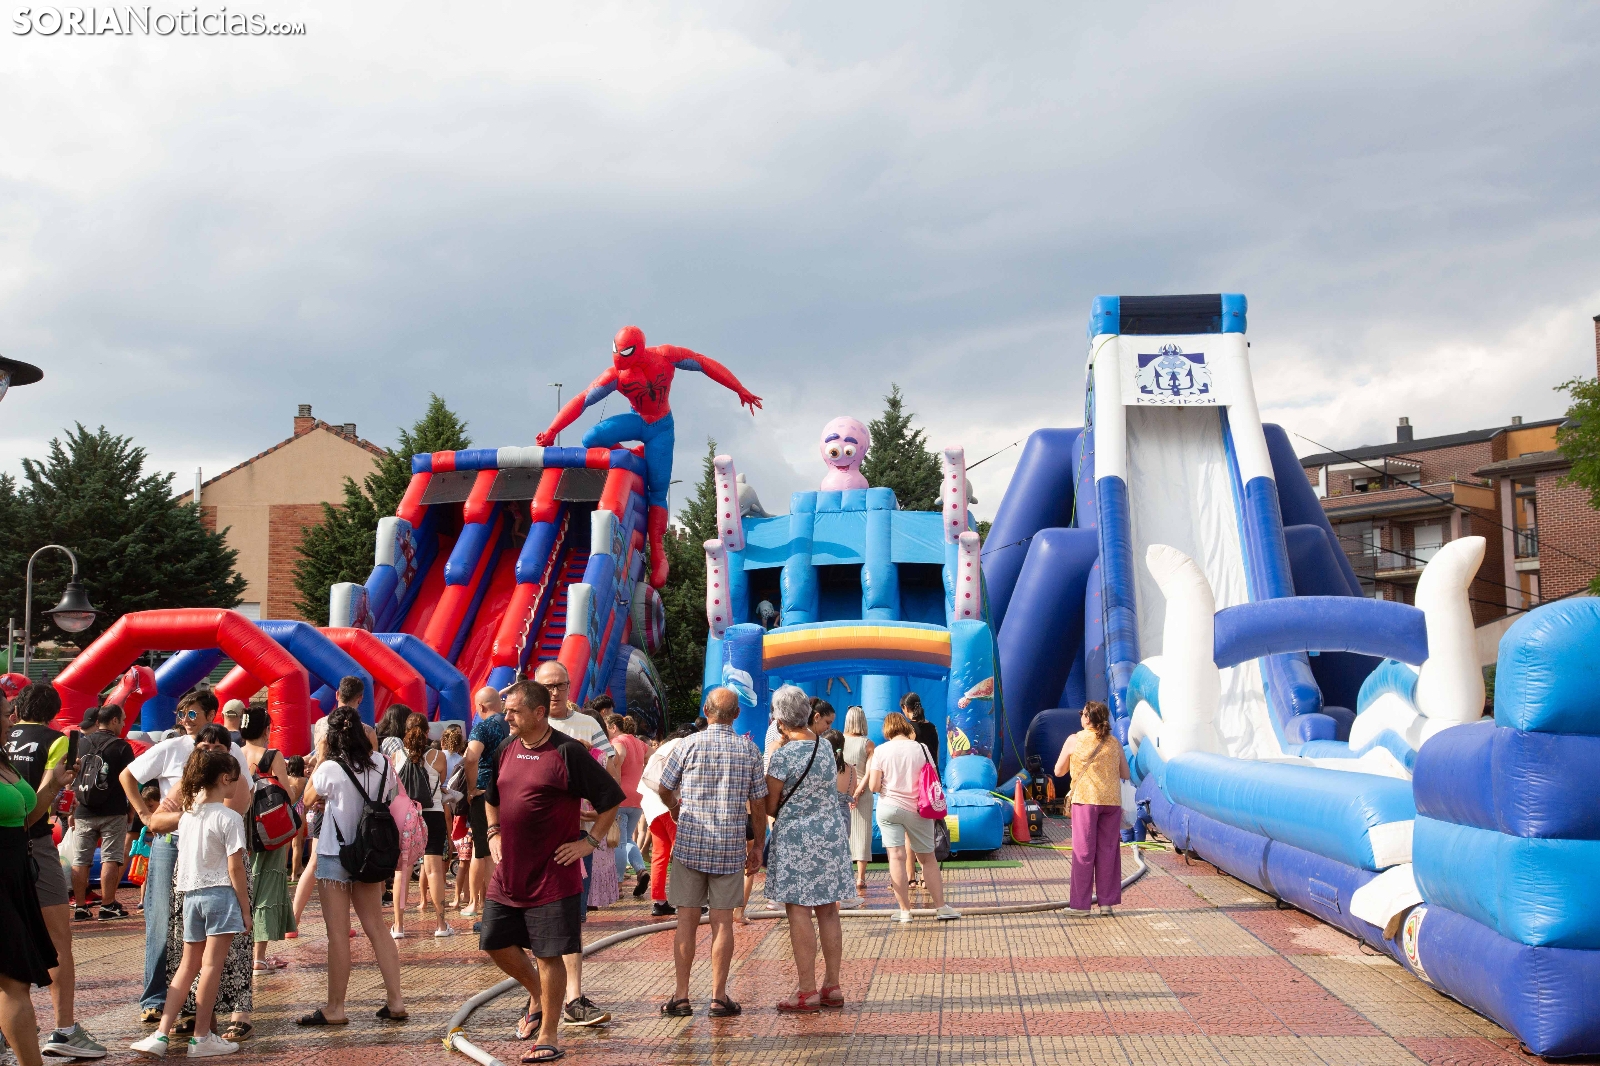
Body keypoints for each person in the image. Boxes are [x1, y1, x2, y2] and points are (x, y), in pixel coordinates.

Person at [532, 325, 764, 588]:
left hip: (661, 428)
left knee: (658, 491)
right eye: (617, 351)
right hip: (638, 420)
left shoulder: (665, 356)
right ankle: (632, 456)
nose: (620, 358)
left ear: (638, 349)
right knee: (591, 439)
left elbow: (703, 363)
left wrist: (739, 388)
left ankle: (658, 552)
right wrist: (551, 431)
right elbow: (583, 399)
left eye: (625, 352)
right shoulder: (616, 375)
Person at [478, 680, 624, 1064]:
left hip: (553, 874)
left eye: (514, 711)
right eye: (506, 710)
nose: (507, 716)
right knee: (493, 941)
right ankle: (540, 996)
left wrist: (589, 842)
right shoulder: (506, 747)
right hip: (509, 873)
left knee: (548, 955)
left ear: (538, 713)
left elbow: (611, 799)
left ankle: (549, 1035)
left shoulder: (567, 751)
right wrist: (493, 832)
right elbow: (491, 798)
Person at [122, 687, 252, 1029]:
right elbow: (132, 782)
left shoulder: (233, 756)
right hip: (177, 846)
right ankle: (160, 1001)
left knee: (220, 937)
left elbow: (241, 801)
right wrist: (151, 816)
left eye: (192, 713)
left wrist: (200, 817)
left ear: (211, 716)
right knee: (167, 924)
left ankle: (220, 1010)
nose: (185, 720)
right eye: (181, 714)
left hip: (216, 851)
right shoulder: (178, 755)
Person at [131, 749, 251, 1059]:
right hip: (220, 895)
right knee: (211, 967)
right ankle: (201, 1037)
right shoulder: (230, 818)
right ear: (224, 779)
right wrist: (245, 908)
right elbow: (235, 867)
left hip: (191, 897)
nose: (237, 785)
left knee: (187, 967)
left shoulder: (186, 817)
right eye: (235, 779)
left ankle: (161, 1034)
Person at [656, 687, 767, 1019]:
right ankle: (719, 997)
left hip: (691, 844)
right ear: (736, 715)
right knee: (722, 923)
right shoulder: (749, 750)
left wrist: (675, 808)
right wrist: (758, 845)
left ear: (706, 711)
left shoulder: (687, 745)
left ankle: (681, 996)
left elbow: (664, 787)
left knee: (686, 922)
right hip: (729, 847)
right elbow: (758, 803)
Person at [6, 683, 103, 1060]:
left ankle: (9, 1029)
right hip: (34, 845)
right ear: (52, 713)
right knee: (59, 941)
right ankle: (64, 1028)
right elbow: (42, 797)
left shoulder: (6, 741)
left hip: (13, 846)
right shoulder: (57, 741)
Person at [298, 706, 406, 1026]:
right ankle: (396, 1001)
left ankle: (336, 1008)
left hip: (335, 854)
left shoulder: (331, 767)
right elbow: (390, 795)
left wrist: (321, 755)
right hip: (371, 852)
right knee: (377, 927)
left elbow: (307, 799)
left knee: (337, 935)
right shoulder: (382, 763)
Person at [531, 661, 617, 1029]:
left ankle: (573, 997)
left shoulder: (587, 725)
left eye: (560, 685)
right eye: (547, 686)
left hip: (574, 837)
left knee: (571, 918)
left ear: (570, 686)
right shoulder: (523, 725)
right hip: (534, 839)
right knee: (533, 921)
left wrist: (597, 831)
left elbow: (610, 774)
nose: (554, 692)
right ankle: (538, 998)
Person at [763, 687, 853, 1012]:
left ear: (780, 720)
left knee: (799, 911)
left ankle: (806, 990)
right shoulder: (825, 747)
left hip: (796, 839)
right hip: (830, 835)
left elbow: (770, 805)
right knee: (829, 910)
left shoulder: (782, 756)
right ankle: (833, 985)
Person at [0, 688, 72, 1066]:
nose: (11, 721)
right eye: (5, 714)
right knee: (14, 980)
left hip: (18, 874)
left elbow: (27, 818)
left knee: (15, 981)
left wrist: (54, 784)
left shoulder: (4, 759)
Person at [868, 712, 959, 923]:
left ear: (887, 730)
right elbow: (934, 779)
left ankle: (904, 911)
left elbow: (873, 786)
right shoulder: (922, 748)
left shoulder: (880, 751)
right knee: (927, 859)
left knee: (896, 858)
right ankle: (941, 908)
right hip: (918, 810)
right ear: (905, 726)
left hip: (889, 808)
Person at [1055, 701, 1130, 916]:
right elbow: (1125, 773)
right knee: (1108, 851)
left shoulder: (1074, 739)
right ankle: (1106, 903)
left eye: (1082, 713)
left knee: (1084, 852)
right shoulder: (1114, 742)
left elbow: (1058, 771)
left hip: (1086, 800)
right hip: (1111, 801)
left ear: (1087, 718)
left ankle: (1080, 905)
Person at [236, 706, 295, 970]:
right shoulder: (272, 756)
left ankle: (242, 953)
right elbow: (288, 796)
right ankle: (258, 957)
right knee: (267, 889)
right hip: (268, 831)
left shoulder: (235, 754)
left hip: (240, 830)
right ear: (266, 729)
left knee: (243, 886)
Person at [69, 703, 136, 922]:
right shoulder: (122, 747)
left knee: (81, 859)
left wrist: (72, 809)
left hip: (83, 809)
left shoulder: (80, 743)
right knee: (111, 858)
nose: (124, 724)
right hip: (113, 810)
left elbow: (71, 776)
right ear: (114, 720)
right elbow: (130, 780)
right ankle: (107, 905)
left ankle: (80, 907)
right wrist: (131, 809)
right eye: (122, 720)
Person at [395, 713, 453, 938]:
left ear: (405, 731)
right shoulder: (438, 756)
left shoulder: (396, 756)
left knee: (403, 869)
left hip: (407, 816)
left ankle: (398, 927)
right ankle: (441, 925)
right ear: (427, 732)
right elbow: (441, 781)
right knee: (434, 870)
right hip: (433, 815)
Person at [461, 686, 509, 921]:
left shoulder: (483, 727)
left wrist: (471, 788)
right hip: (512, 789)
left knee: (484, 851)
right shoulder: (512, 723)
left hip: (485, 792)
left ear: (480, 707)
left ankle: (486, 904)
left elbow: (471, 757)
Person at [637, 725, 691, 919]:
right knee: (683, 853)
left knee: (660, 853)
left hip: (651, 805)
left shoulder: (665, 746)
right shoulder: (684, 745)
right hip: (669, 804)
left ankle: (659, 902)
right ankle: (688, 900)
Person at [603, 713, 649, 896]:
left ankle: (618, 884)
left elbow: (619, 756)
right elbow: (655, 756)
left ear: (613, 727)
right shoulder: (639, 743)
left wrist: (615, 769)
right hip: (637, 797)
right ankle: (641, 870)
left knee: (619, 842)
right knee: (628, 839)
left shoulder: (617, 741)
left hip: (621, 797)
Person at [841, 707, 875, 894]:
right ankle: (860, 877)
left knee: (844, 834)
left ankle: (845, 876)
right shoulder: (868, 744)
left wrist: (849, 792)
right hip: (863, 793)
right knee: (863, 834)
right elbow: (869, 773)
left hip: (842, 791)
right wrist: (858, 791)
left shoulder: (838, 741)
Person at [900, 693, 940, 767]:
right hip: (933, 771)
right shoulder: (933, 727)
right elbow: (936, 755)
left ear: (905, 708)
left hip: (918, 772)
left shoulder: (908, 728)